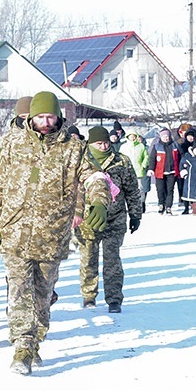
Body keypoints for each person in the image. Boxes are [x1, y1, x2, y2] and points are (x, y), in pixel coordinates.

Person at [0, 91, 110, 375]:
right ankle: (22, 346)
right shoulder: (12, 144)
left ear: (58, 117)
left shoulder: (72, 148)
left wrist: (100, 201)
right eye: (40, 116)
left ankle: (36, 341)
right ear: (31, 117)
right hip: (15, 231)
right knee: (18, 292)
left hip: (51, 235)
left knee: (42, 295)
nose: (45, 121)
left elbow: (94, 176)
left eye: (50, 116)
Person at [77, 126, 142, 311]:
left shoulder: (122, 161)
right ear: (91, 144)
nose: (104, 146)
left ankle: (114, 299)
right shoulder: (82, 162)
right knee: (88, 258)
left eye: (106, 142)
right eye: (99, 143)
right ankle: (89, 296)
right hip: (88, 220)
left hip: (115, 218)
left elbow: (132, 190)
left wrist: (136, 215)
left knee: (112, 260)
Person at [148, 128, 179, 214]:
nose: (166, 138)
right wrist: (151, 169)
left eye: (167, 136)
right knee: (160, 190)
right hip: (160, 172)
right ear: (161, 137)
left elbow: (181, 156)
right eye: (164, 136)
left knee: (170, 190)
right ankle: (161, 204)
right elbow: (152, 159)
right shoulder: (157, 146)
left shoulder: (174, 145)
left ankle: (168, 207)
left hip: (172, 172)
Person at [120, 129, 150, 210]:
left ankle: (142, 203)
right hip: (127, 171)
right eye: (130, 136)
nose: (132, 138)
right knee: (129, 189)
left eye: (134, 136)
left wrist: (143, 165)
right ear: (127, 137)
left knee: (141, 189)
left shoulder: (141, 146)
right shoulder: (123, 147)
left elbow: (146, 156)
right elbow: (120, 158)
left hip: (139, 171)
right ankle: (131, 205)